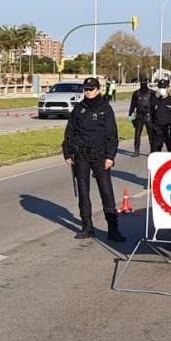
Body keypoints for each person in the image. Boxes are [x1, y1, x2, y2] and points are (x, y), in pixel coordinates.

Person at [62, 77, 125, 242]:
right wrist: (67, 153)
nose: (88, 92)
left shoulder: (105, 108)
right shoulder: (79, 109)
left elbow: (112, 135)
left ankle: (113, 229)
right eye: (86, 89)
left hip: (100, 156)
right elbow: (70, 132)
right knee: (83, 192)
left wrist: (110, 156)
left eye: (90, 89)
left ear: (98, 89)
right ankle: (87, 227)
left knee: (106, 192)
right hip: (81, 155)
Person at [150, 79, 171, 152]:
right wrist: (154, 127)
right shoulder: (154, 101)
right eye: (160, 87)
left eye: (164, 88)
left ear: (168, 88)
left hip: (170, 131)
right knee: (154, 154)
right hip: (158, 131)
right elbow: (150, 116)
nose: (162, 89)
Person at [128, 79, 156, 157]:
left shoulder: (152, 93)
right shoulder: (136, 93)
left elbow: (154, 105)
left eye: (144, 83)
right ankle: (136, 151)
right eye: (142, 83)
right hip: (139, 116)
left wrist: (154, 116)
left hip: (149, 116)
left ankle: (152, 151)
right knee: (137, 134)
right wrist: (130, 115)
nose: (143, 84)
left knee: (151, 135)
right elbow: (132, 105)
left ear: (147, 83)